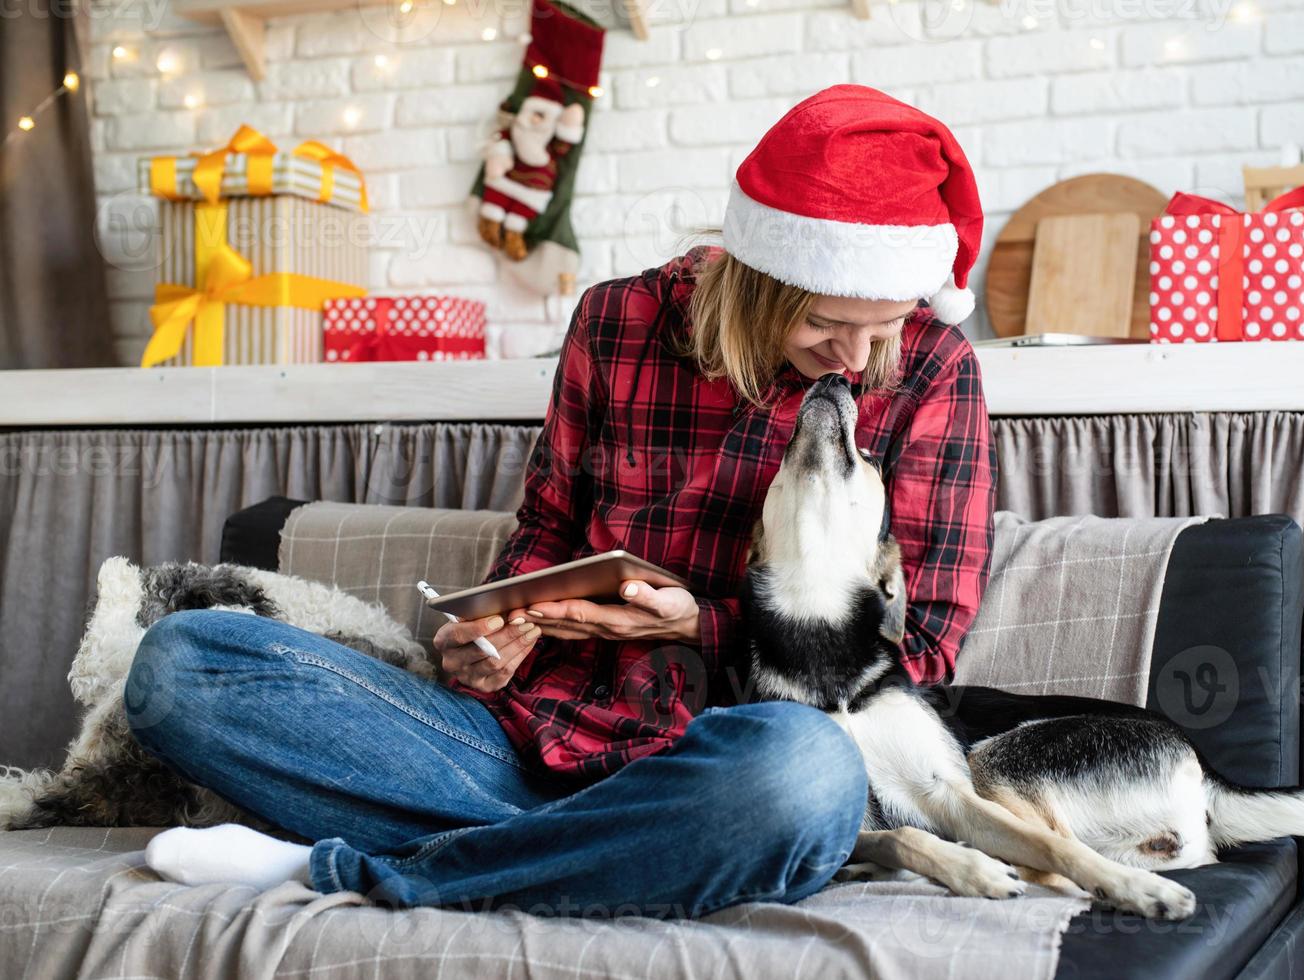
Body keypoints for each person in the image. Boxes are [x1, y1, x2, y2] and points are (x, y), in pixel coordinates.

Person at [129, 84, 997, 919]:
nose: (851, 357)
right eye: (821, 324)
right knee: (183, 664)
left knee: (804, 776)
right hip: (521, 747)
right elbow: (545, 527)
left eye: (878, 330)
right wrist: (487, 642)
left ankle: (359, 868)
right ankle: (590, 855)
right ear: (757, 278)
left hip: (724, 766)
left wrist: (692, 626)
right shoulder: (616, 322)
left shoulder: (932, 370)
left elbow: (920, 646)